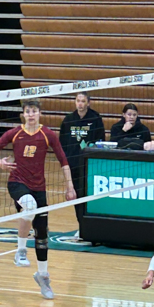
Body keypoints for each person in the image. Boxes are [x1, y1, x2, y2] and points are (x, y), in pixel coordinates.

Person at [0, 100, 76, 299]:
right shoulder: (14, 133)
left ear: (40, 114)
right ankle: (20, 251)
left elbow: (63, 160)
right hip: (17, 183)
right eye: (27, 112)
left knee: (42, 235)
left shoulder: (47, 135)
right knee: (29, 205)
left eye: (34, 111)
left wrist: (69, 186)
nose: (31, 115)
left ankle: (43, 276)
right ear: (23, 114)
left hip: (39, 188)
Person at [58, 92, 105, 239]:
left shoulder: (95, 119)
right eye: (78, 101)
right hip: (73, 166)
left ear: (88, 103)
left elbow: (101, 141)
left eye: (83, 101)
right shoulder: (68, 120)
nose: (80, 104)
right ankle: (81, 226)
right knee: (76, 197)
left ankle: (90, 227)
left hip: (89, 165)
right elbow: (62, 144)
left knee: (88, 197)